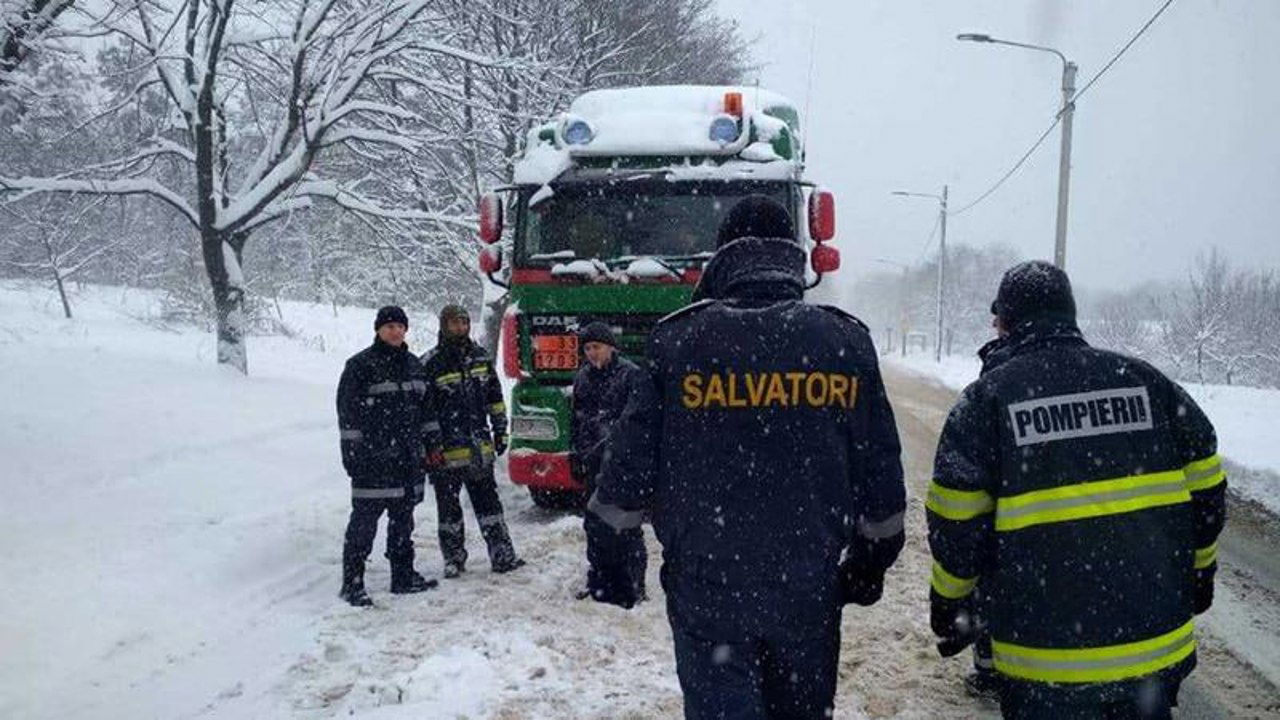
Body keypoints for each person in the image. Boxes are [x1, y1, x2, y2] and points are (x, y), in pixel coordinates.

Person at [591, 195, 907, 719]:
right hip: (808, 588)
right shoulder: (844, 344)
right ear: (793, 256)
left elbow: (625, 474)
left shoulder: (678, 342)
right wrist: (867, 566)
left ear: (724, 256)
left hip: (707, 589)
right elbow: (881, 481)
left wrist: (612, 565)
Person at [926, 261, 1227, 719]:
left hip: (1045, 665)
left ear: (1005, 322)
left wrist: (950, 602)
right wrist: (1201, 570)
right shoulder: (1147, 382)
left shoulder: (988, 400)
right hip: (1155, 652)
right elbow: (1207, 491)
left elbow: (958, 525)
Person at [335, 305, 439, 607]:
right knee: (364, 523)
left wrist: (432, 446)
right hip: (372, 460)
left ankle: (403, 576)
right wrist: (353, 456)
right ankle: (352, 583)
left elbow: (427, 411)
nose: (395, 331)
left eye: (399, 326)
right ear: (378, 330)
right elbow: (348, 416)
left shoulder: (414, 365)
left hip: (408, 461)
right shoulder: (359, 366)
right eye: (389, 326)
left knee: (403, 521)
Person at [421, 304, 525, 577]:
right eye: (454, 323)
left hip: (479, 449)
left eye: (464, 323)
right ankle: (453, 559)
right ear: (444, 326)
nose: (460, 328)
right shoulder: (430, 363)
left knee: (490, 506)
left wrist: (501, 429)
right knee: (449, 512)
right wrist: (431, 446)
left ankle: (503, 555)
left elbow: (494, 398)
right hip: (445, 453)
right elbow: (424, 411)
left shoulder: (480, 357)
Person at [570, 321, 648, 608]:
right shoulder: (583, 378)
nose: (592, 353)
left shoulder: (631, 376)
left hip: (621, 467)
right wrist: (574, 455)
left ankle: (635, 586)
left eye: (597, 347)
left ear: (610, 347)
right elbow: (575, 421)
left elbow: (640, 425)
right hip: (592, 463)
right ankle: (600, 584)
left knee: (626, 525)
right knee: (595, 526)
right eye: (588, 348)